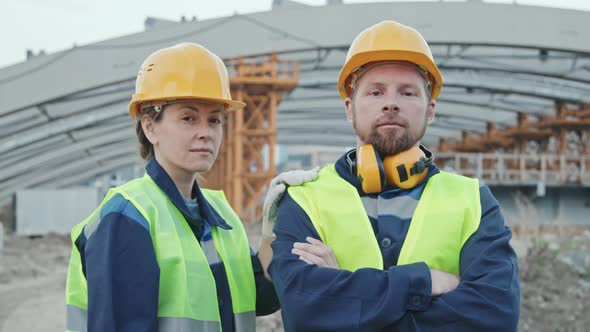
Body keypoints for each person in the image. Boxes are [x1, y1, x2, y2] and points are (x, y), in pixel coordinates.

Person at [262, 20, 520, 331]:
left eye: (408, 92)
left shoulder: (473, 200)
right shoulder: (304, 197)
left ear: (431, 109)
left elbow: (495, 315)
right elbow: (304, 311)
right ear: (349, 108)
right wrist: (424, 281)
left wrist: (342, 295)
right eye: (375, 91)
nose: (391, 102)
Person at [65, 42, 279, 332]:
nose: (205, 133)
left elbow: (259, 298)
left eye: (215, 119)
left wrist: (277, 233)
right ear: (150, 126)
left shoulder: (222, 215)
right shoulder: (128, 217)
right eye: (188, 118)